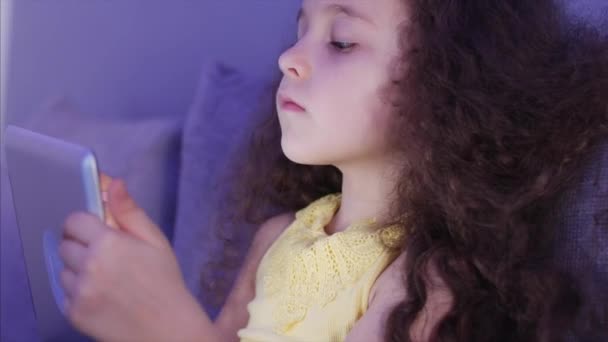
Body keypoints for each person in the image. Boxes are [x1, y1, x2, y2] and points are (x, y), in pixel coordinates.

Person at [58, 0, 608, 341]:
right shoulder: (278, 238)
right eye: (300, 30)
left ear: (446, 83)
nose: (289, 58)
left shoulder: (422, 282)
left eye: (342, 41)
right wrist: (149, 287)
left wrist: (161, 325)